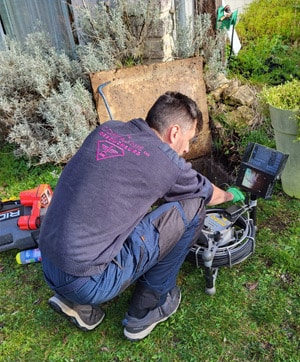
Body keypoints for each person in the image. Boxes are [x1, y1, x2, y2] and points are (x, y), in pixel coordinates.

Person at [39, 91, 244, 341]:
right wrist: (232, 195)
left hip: (48, 260)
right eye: (188, 140)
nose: (187, 149)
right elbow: (208, 193)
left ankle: (75, 303)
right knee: (194, 207)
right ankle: (147, 308)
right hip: (87, 281)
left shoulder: (109, 129)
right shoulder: (167, 163)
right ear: (175, 132)